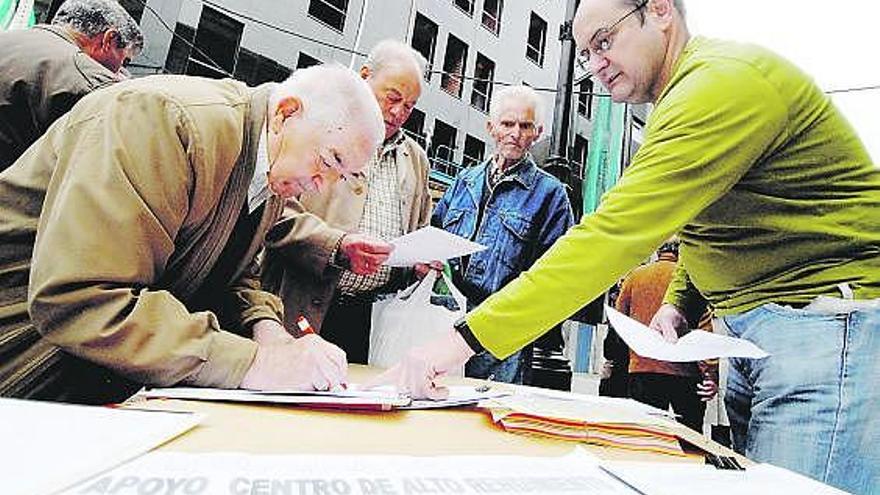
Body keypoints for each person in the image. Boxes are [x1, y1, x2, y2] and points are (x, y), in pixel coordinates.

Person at [376, 0, 880, 492]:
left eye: (604, 42)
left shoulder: (719, 86)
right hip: (767, 333)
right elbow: (703, 219)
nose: (595, 66)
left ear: (659, 10)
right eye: (586, 54)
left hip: (823, 325)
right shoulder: (684, 97)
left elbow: (611, 237)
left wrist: (461, 340)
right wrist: (680, 302)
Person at [0, 64, 384, 404]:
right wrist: (255, 362)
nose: (324, 186)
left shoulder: (268, 169)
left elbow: (230, 272)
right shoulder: (162, 121)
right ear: (286, 113)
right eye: (331, 160)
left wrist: (268, 331)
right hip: (22, 356)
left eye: (343, 175)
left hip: (83, 370)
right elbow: (82, 298)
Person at [262, 40, 432, 364]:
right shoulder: (322, 126)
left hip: (371, 315)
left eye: (410, 106)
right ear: (365, 75)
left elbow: (420, 224)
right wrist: (336, 245)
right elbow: (275, 205)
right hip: (299, 301)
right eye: (392, 98)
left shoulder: (416, 159)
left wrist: (420, 261)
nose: (399, 113)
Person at [431, 85, 574, 383]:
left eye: (525, 126)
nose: (516, 133)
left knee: (486, 418)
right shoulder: (464, 181)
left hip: (500, 338)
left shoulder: (551, 195)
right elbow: (434, 237)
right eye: (508, 124)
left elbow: (552, 274)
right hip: (442, 323)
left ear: (538, 132)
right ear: (491, 127)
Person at [0, 0, 143, 171]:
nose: (120, 70)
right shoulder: (90, 81)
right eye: (125, 61)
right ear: (108, 40)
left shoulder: (7, 39)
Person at [616, 240, 717, 432]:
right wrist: (709, 374)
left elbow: (620, 316)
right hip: (685, 372)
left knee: (647, 433)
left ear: (658, 251)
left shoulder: (636, 276)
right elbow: (705, 328)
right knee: (689, 434)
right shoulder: (691, 281)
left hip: (642, 367)